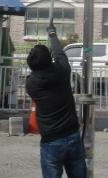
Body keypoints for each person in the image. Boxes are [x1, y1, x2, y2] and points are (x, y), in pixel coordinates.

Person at [25, 24, 87, 178]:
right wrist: (52, 34)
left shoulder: (32, 84)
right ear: (49, 59)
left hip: (51, 141)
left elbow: (44, 66)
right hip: (72, 135)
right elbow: (59, 52)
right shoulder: (63, 70)